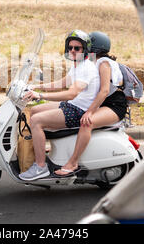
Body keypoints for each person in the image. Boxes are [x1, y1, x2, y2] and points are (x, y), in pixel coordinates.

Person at [18, 30, 100, 181]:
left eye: (77, 48)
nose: (73, 51)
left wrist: (41, 95)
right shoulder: (77, 64)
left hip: (79, 111)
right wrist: (37, 86)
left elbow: (71, 93)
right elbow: (63, 82)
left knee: (37, 121)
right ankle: (42, 149)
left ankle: (40, 166)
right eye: (70, 48)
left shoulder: (87, 67)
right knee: (34, 110)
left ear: (85, 49)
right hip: (72, 105)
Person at [54, 31, 128, 177]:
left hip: (113, 105)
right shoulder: (92, 61)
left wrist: (90, 111)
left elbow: (104, 91)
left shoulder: (103, 63)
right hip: (103, 102)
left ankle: (73, 162)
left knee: (87, 122)